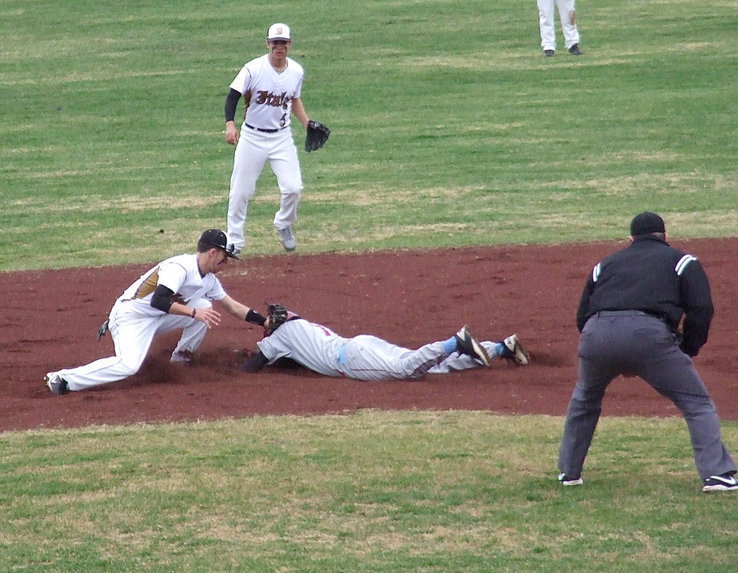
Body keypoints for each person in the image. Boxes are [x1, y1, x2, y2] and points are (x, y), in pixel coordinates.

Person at [557, 212, 738, 492]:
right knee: (696, 403)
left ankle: (568, 473)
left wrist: (606, 347)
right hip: (649, 335)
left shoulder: (604, 264)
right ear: (665, 237)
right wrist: (687, 348)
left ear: (630, 239)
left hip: (596, 333)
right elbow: (701, 309)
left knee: (585, 398)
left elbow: (582, 316)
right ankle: (717, 475)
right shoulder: (683, 261)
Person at [44, 230, 272, 395]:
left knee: (205, 308)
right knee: (128, 365)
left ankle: (182, 360)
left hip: (157, 317)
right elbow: (159, 300)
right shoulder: (180, 267)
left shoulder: (209, 280)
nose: (227, 263)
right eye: (225, 257)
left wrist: (265, 322)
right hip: (131, 318)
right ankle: (64, 378)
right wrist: (192, 313)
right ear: (213, 252)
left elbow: (233, 306)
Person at [224, 22, 318, 254]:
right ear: (267, 44)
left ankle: (284, 224)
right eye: (275, 43)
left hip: (281, 138)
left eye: (283, 43)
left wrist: (307, 124)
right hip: (252, 137)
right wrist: (230, 124)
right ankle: (234, 241)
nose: (279, 47)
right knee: (240, 191)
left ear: (290, 45)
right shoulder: (253, 69)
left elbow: (294, 99)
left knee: (293, 188)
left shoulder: (296, 71)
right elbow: (232, 96)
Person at [239, 307, 530, 380]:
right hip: (362, 344)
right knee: (426, 366)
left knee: (407, 370)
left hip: (353, 361)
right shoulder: (301, 324)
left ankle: (455, 342)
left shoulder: (278, 339)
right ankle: (501, 348)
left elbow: (253, 366)